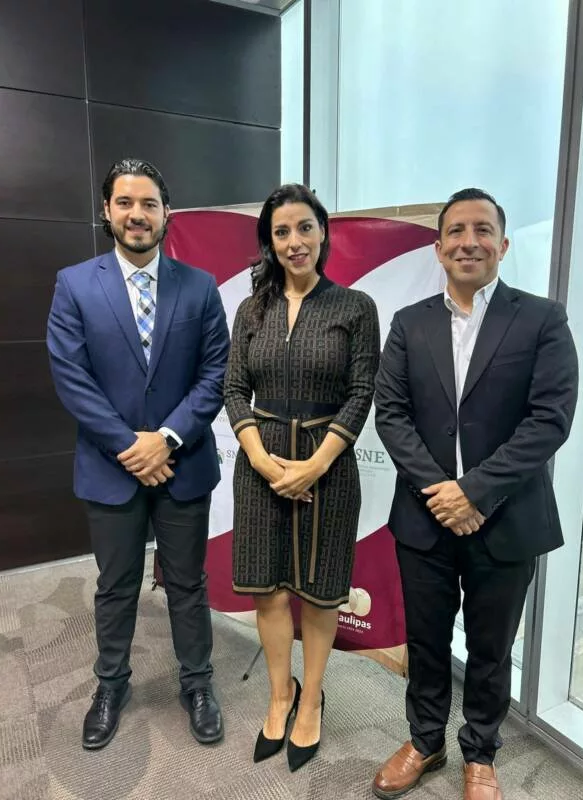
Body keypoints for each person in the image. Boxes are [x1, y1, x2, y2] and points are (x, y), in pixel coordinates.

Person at [372, 188, 578, 800]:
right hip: (425, 517)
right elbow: (392, 414)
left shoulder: (542, 319)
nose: (469, 241)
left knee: (491, 647)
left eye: (482, 230)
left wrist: (475, 493)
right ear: (438, 249)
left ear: (502, 245)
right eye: (456, 231)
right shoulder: (410, 323)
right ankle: (425, 740)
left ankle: (481, 753)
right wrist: (442, 493)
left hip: (508, 518)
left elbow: (550, 420)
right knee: (426, 640)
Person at [47, 158, 229, 750]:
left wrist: (166, 438)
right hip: (111, 465)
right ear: (107, 211)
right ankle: (111, 685)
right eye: (125, 202)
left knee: (187, 582)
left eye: (149, 203)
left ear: (166, 212)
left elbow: (215, 373)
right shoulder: (75, 284)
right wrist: (130, 445)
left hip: (183, 463)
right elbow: (71, 377)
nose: (137, 214)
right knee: (116, 583)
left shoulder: (200, 286)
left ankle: (197, 683)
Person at [224, 183, 380, 771]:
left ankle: (311, 697)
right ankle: (279, 693)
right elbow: (234, 389)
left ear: (323, 233)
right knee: (268, 590)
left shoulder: (355, 307)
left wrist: (314, 465)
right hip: (259, 463)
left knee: (318, 593)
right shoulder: (252, 310)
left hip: (328, 466)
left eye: (305, 228)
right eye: (282, 231)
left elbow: (361, 393)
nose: (295, 241)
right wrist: (263, 461)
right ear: (269, 241)